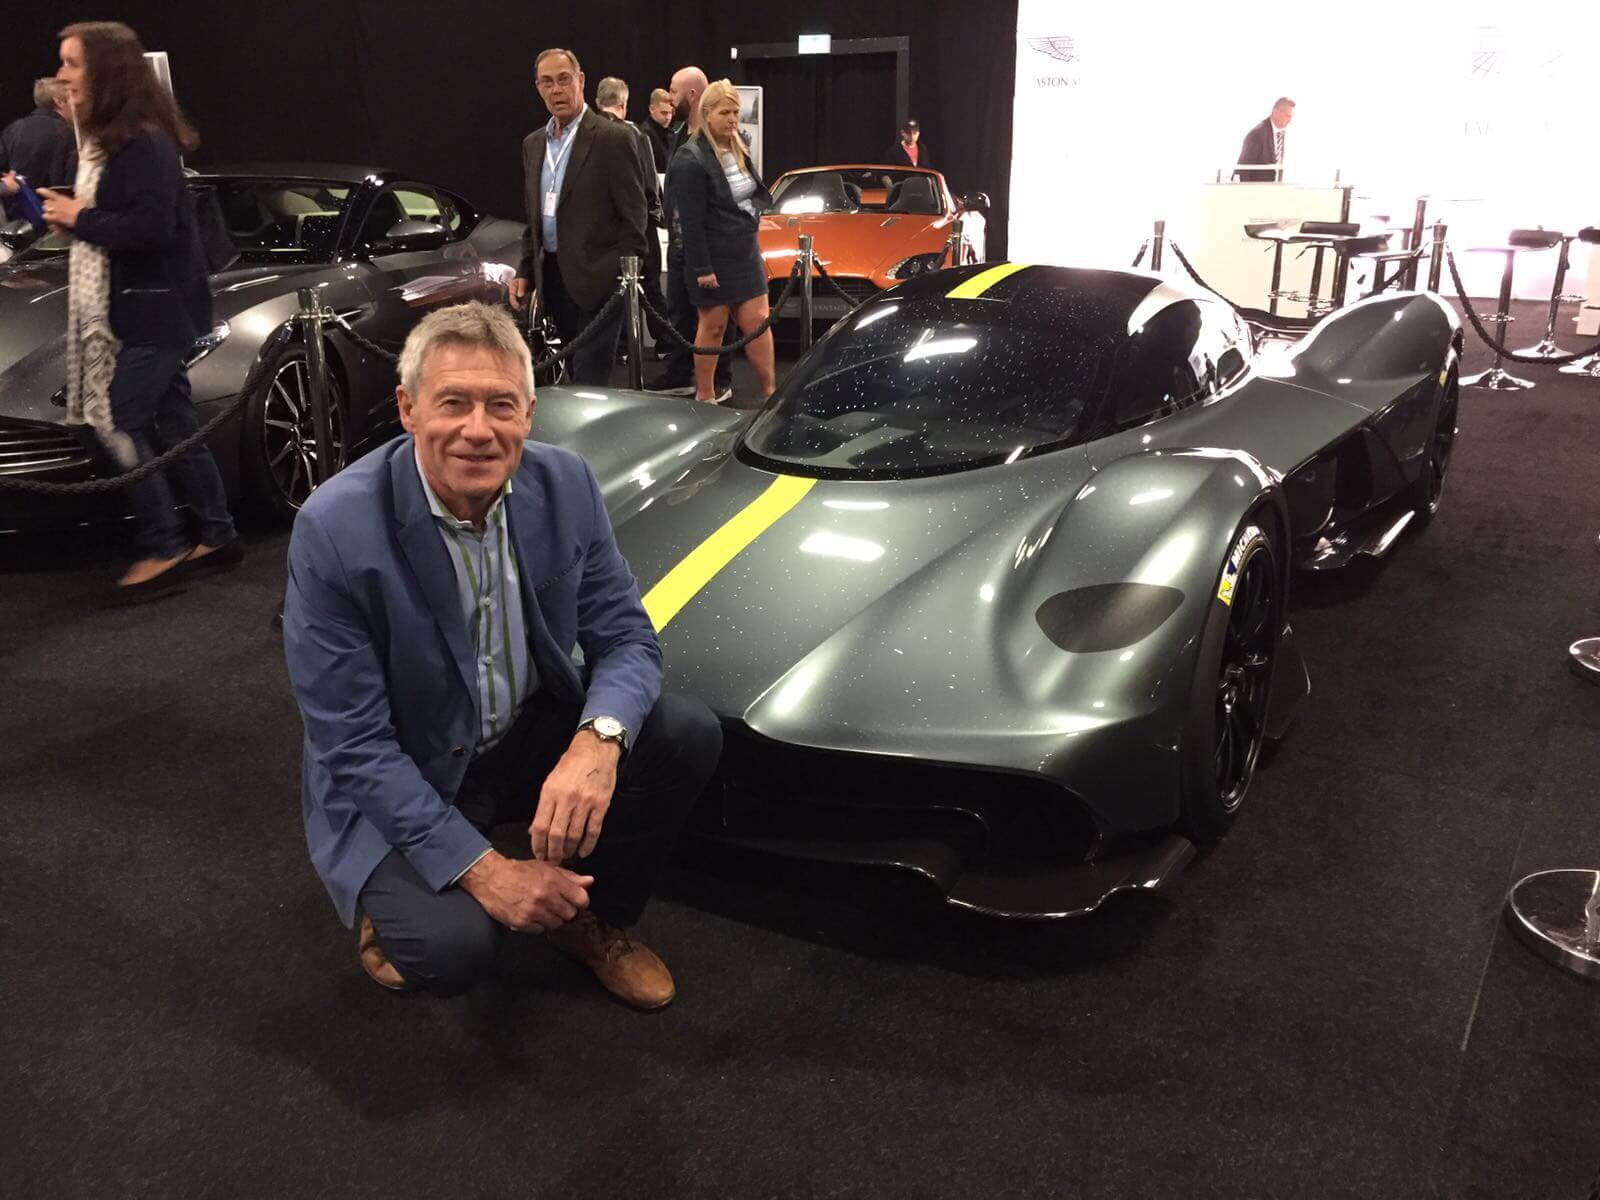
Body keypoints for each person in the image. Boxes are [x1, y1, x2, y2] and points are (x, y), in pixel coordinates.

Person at [282, 301, 721, 1009]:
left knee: (685, 733)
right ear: (407, 408)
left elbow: (628, 637)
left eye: (500, 405)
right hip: (407, 764)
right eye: (453, 402)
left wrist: (595, 743)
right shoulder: (334, 528)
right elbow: (353, 743)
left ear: (529, 413)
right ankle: (389, 905)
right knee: (452, 950)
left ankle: (590, 920)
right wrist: (487, 872)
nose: (478, 430)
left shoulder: (566, 484)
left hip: (516, 731)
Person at [37, 22, 239, 594]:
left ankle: (164, 542)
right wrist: (70, 208)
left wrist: (82, 218)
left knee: (118, 422)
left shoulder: (143, 143)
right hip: (149, 309)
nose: (62, 76)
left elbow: (151, 227)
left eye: (72, 63)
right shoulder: (120, 143)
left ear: (106, 71)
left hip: (157, 312)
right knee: (174, 422)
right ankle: (218, 533)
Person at [508, 48, 647, 387]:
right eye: (547, 82)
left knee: (589, 382)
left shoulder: (613, 138)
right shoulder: (533, 144)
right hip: (555, 279)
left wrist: (615, 275)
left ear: (580, 80)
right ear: (538, 88)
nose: (556, 90)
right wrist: (527, 269)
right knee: (573, 376)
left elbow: (635, 219)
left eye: (563, 79)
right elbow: (534, 215)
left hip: (601, 281)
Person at [667, 79, 776, 404]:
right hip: (711, 257)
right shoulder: (690, 158)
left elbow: (751, 193)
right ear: (708, 113)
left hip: (743, 252)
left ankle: (771, 393)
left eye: (736, 112)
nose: (732, 119)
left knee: (758, 324)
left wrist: (753, 218)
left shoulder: (738, 145)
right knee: (712, 327)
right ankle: (705, 394)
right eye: (725, 112)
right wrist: (702, 268)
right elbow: (690, 222)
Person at [650, 65, 732, 398]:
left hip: (706, 242)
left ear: (692, 94)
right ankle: (681, 371)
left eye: (673, 90)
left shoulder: (716, 138)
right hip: (681, 240)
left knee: (711, 316)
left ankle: (720, 379)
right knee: (681, 312)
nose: (669, 97)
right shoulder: (682, 132)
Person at [594, 75, 671, 347]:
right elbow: (650, 185)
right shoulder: (635, 135)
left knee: (608, 290)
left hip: (598, 232)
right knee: (647, 286)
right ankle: (665, 344)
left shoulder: (583, 136)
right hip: (638, 227)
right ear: (624, 103)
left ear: (597, 101)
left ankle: (622, 346)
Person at [0, 78, 79, 217]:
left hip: (14, 219)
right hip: (53, 217)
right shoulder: (68, 133)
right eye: (71, 99)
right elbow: (72, 183)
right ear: (59, 102)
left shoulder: (12, 129)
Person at [1234, 98, 1294, 183]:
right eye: (1287, 116)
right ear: (1276, 112)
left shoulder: (1281, 134)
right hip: (1257, 191)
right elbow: (1242, 171)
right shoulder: (1257, 134)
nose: (1290, 120)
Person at [643, 87, 673, 174]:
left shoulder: (670, 134)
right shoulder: (645, 134)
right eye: (664, 113)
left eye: (670, 112)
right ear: (651, 109)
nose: (668, 117)